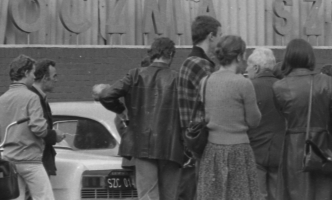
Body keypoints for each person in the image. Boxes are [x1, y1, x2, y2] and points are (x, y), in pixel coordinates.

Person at [99, 37, 185, 200]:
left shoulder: (135, 75)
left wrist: (122, 110)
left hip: (142, 143)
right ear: (171, 54)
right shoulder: (177, 78)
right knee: (170, 195)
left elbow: (106, 95)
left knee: (147, 194)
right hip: (171, 145)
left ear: (152, 53)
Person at [273, 39, 332, 200]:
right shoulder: (327, 82)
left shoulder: (280, 87)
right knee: (325, 192)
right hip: (324, 145)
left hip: (293, 147)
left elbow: (282, 115)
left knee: (296, 191)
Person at [196, 35, 262, 200]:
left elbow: (206, 115)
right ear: (239, 56)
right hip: (239, 150)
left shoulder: (206, 81)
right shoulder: (243, 83)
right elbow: (254, 121)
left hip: (211, 150)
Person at [0, 55, 63, 200]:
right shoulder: (31, 97)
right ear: (25, 73)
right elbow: (39, 128)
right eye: (32, 72)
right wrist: (52, 132)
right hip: (30, 160)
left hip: (9, 161)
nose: (34, 76)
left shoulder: (1, 100)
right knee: (45, 198)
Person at [176, 15, 220, 200]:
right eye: (219, 36)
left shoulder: (188, 62)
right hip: (202, 143)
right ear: (211, 36)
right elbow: (216, 103)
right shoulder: (202, 65)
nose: (219, 42)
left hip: (190, 142)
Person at [246, 48, 286, 200]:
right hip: (280, 150)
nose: (246, 70)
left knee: (257, 195)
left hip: (255, 150)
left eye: (248, 67)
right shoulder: (284, 87)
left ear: (256, 68)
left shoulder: (249, 87)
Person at [30, 59, 60, 178]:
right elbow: (36, 129)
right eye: (54, 76)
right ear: (44, 78)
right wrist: (54, 135)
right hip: (37, 160)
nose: (56, 80)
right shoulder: (34, 98)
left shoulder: (39, 97)